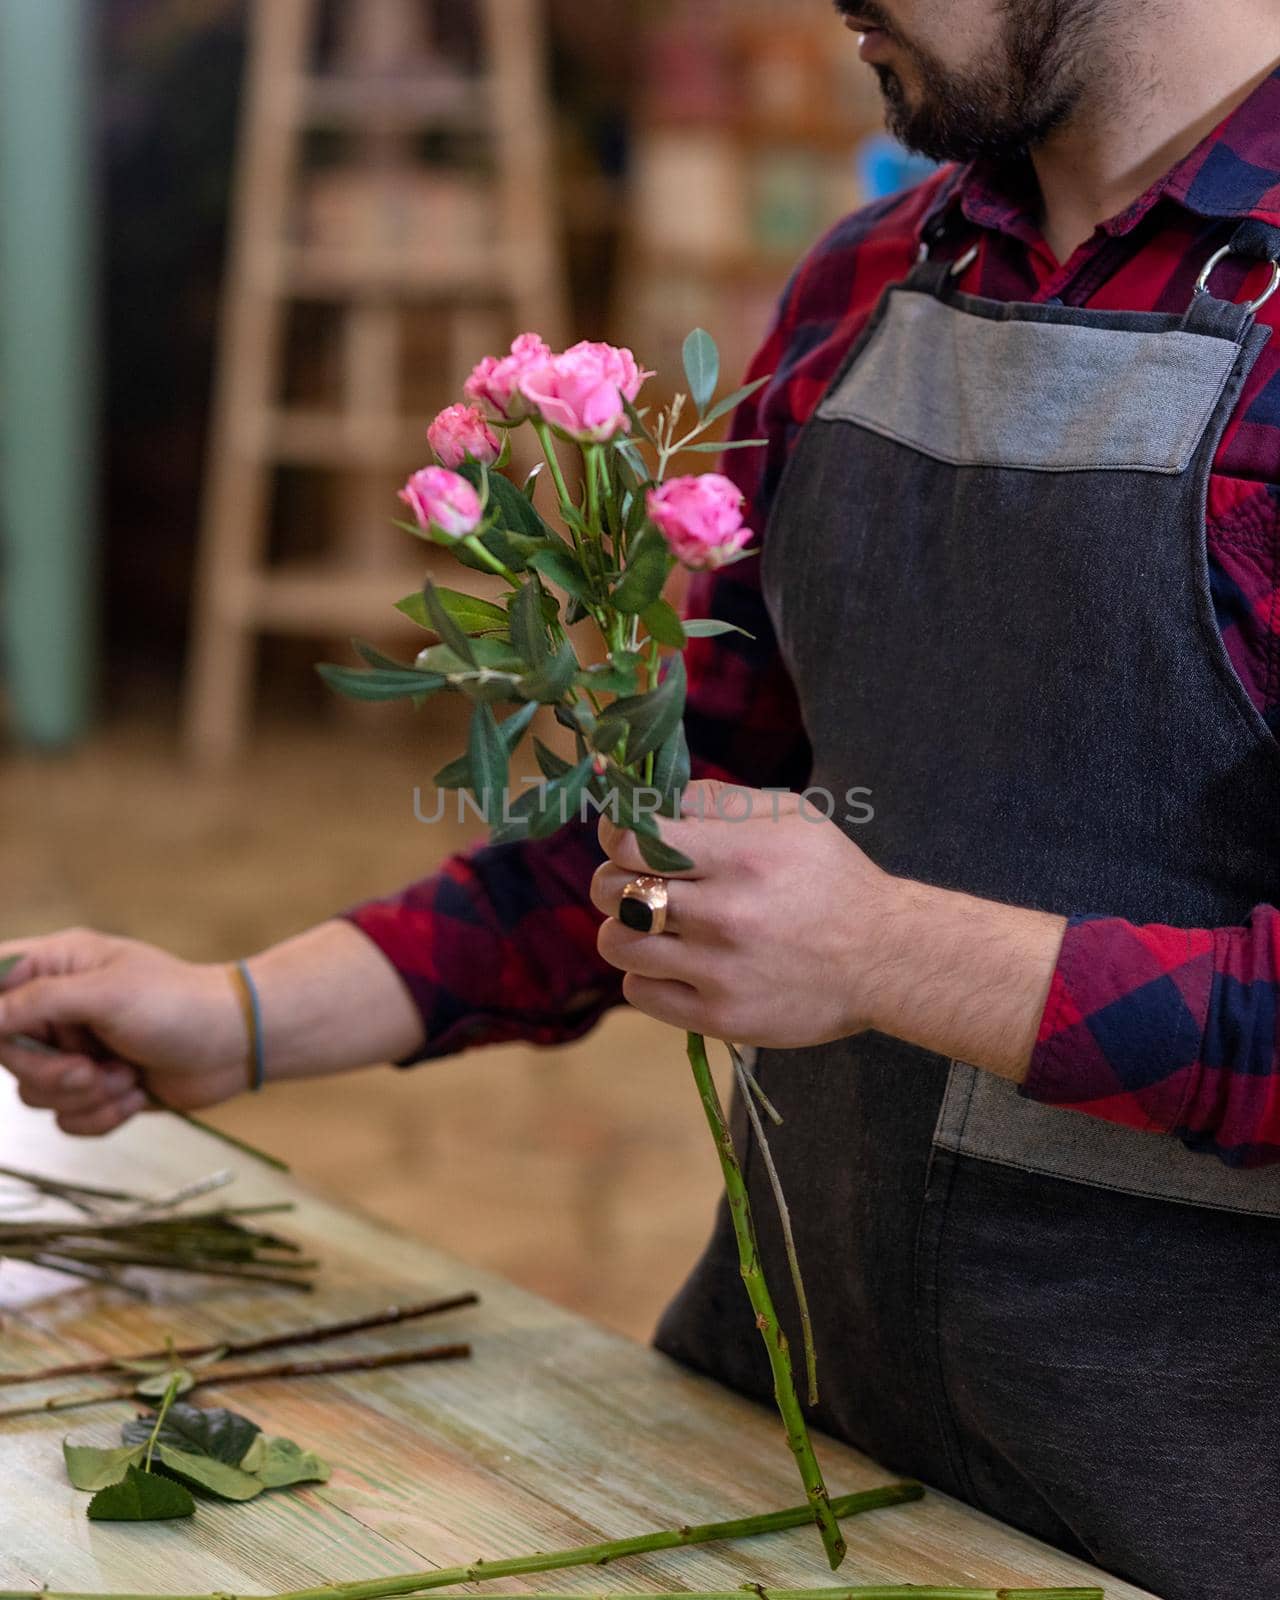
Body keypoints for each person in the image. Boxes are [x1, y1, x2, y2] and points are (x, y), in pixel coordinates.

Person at [5, 3, 1280, 1593]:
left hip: (1181, 1509)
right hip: (789, 1400)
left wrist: (887, 955)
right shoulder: (865, 285)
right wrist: (244, 1015)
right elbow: (664, 826)